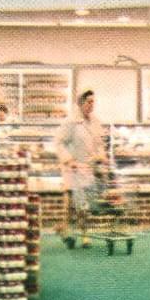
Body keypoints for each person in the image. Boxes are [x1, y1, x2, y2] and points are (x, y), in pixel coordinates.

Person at [55, 89, 106, 249]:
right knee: (71, 205)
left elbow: (99, 143)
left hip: (87, 168)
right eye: (89, 102)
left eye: (93, 102)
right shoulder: (70, 122)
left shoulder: (96, 121)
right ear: (80, 103)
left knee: (84, 205)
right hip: (72, 169)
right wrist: (69, 160)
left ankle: (83, 235)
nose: (92, 105)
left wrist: (101, 157)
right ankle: (67, 231)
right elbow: (59, 143)